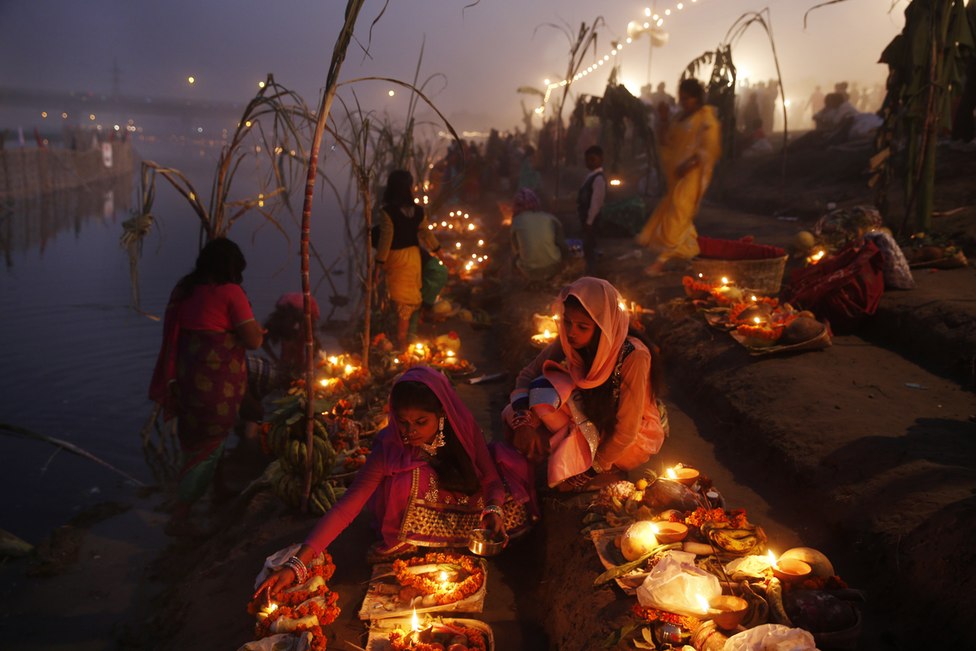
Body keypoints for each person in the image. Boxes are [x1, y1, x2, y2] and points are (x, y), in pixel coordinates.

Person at [253, 366, 538, 599]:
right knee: (410, 475)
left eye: (421, 422)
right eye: (403, 422)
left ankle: (450, 537)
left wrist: (493, 509)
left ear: (441, 414)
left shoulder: (462, 430)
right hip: (418, 513)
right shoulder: (388, 448)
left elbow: (490, 478)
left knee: (510, 503)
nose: (410, 432)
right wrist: (297, 563)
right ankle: (413, 541)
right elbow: (347, 507)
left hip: (463, 502)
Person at [503, 277, 668, 491]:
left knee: (567, 478)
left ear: (602, 327)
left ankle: (607, 469)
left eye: (582, 327)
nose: (571, 332)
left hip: (630, 434)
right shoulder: (571, 338)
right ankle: (561, 454)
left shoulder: (634, 355)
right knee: (531, 397)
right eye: (567, 322)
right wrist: (523, 423)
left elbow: (626, 430)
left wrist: (590, 471)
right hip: (587, 416)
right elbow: (528, 375)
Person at [148, 238, 264, 536]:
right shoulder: (230, 293)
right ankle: (181, 516)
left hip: (187, 383)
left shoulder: (185, 290)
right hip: (217, 390)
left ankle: (218, 489)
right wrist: (257, 331)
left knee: (198, 443)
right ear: (231, 268)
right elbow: (253, 340)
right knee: (208, 448)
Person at [637, 77, 721, 277]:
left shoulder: (706, 119)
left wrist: (689, 164)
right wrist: (663, 119)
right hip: (676, 176)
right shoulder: (679, 117)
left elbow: (708, 149)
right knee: (680, 216)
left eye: (687, 98)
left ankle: (660, 262)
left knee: (678, 214)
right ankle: (688, 256)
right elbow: (667, 141)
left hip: (692, 175)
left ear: (696, 98)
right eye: (681, 98)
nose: (683, 102)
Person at [374, 169, 443, 351]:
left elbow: (386, 239)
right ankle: (404, 340)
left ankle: (402, 342)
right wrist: (440, 253)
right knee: (410, 298)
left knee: (402, 301)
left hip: (397, 259)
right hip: (413, 257)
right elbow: (427, 234)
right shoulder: (418, 211)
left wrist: (378, 264)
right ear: (408, 189)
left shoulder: (387, 212)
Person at [510, 187, 568, 282]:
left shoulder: (516, 221)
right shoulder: (551, 218)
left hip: (530, 272)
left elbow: (516, 250)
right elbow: (562, 245)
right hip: (554, 267)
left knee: (514, 260)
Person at [577, 145, 606, 274]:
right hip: (587, 218)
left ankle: (592, 272)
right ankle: (590, 271)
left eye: (593, 159)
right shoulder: (591, 176)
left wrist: (589, 221)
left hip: (592, 219)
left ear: (601, 159)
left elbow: (596, 203)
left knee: (590, 246)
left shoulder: (598, 178)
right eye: (587, 160)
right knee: (587, 245)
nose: (589, 162)